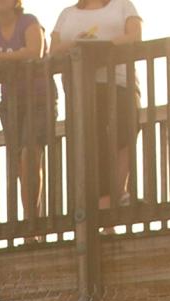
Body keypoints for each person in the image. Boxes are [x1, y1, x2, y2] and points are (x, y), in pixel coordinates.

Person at [51, 0, 143, 207]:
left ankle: (118, 191)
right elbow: (53, 50)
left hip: (120, 80)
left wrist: (104, 47)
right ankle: (104, 199)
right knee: (95, 140)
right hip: (83, 84)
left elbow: (135, 35)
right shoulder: (67, 13)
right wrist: (77, 44)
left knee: (126, 130)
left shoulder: (122, 5)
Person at [0, 1, 55, 218]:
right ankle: (31, 220)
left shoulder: (29, 21)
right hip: (11, 102)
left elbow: (34, 52)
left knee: (30, 154)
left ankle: (32, 220)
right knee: (20, 163)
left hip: (39, 98)